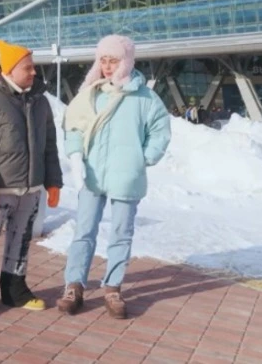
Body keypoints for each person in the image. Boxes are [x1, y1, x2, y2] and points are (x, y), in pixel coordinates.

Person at [56, 34, 171, 319]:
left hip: (126, 177)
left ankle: (113, 287)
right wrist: (74, 158)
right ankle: (74, 286)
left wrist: (143, 158)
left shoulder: (146, 97)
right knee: (83, 231)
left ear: (127, 61)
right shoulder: (90, 93)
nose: (107, 66)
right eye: (103, 60)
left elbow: (160, 130)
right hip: (92, 176)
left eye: (113, 60)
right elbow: (73, 127)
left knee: (121, 234)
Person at [0, 39, 64, 323]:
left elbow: (49, 145)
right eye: (28, 68)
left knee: (21, 241)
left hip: (30, 189)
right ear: (10, 69)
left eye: (33, 67)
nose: (34, 73)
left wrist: (53, 182)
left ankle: (15, 290)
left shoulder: (40, 101)